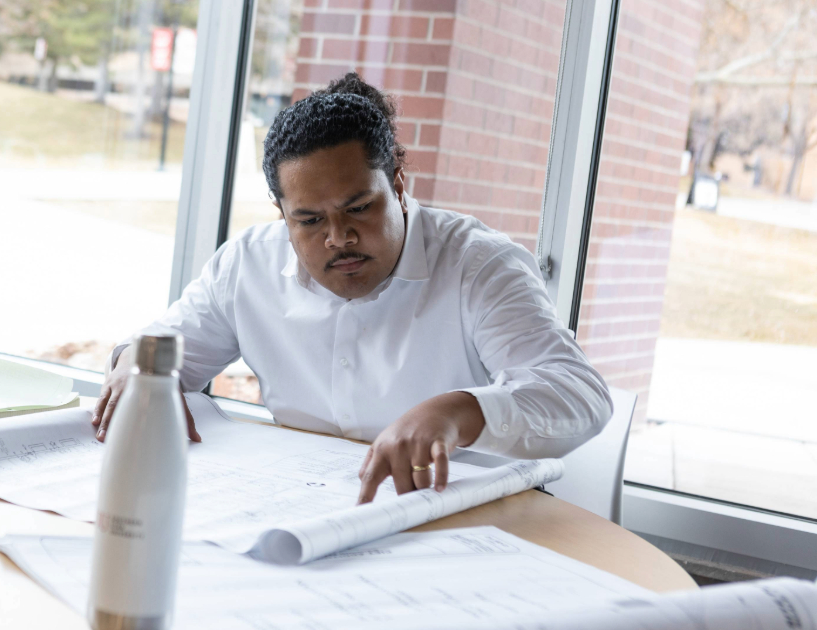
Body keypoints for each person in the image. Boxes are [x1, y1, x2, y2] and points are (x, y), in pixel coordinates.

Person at [93, 73, 612, 504]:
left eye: (359, 208)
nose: (338, 237)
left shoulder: (478, 265)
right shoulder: (248, 263)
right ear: (282, 215)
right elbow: (161, 350)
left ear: (399, 185)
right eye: (310, 220)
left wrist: (458, 411)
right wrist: (134, 365)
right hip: (300, 507)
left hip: (464, 520)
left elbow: (580, 394)